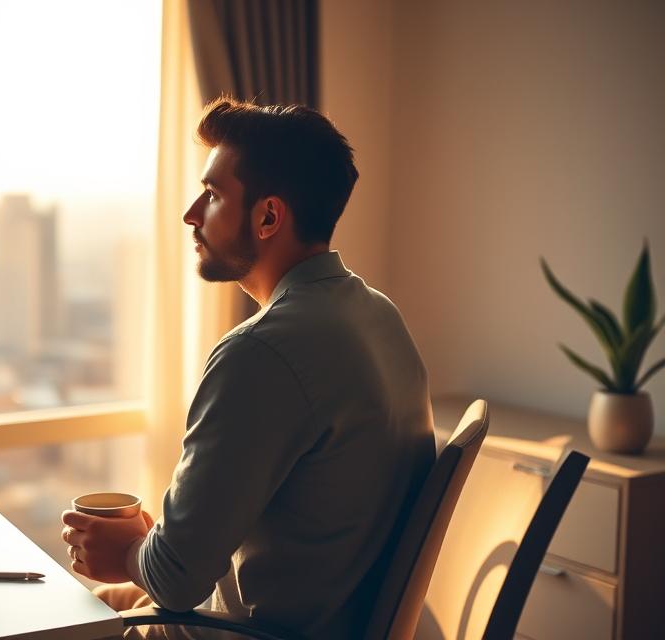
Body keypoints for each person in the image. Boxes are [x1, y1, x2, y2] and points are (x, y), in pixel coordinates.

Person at [61, 97, 436, 639]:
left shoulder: (260, 353)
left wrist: (126, 554)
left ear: (268, 217)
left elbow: (174, 581)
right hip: (326, 616)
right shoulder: (379, 315)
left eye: (213, 195)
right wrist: (146, 546)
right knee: (92, 605)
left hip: (250, 631)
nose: (192, 213)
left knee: (59, 622)